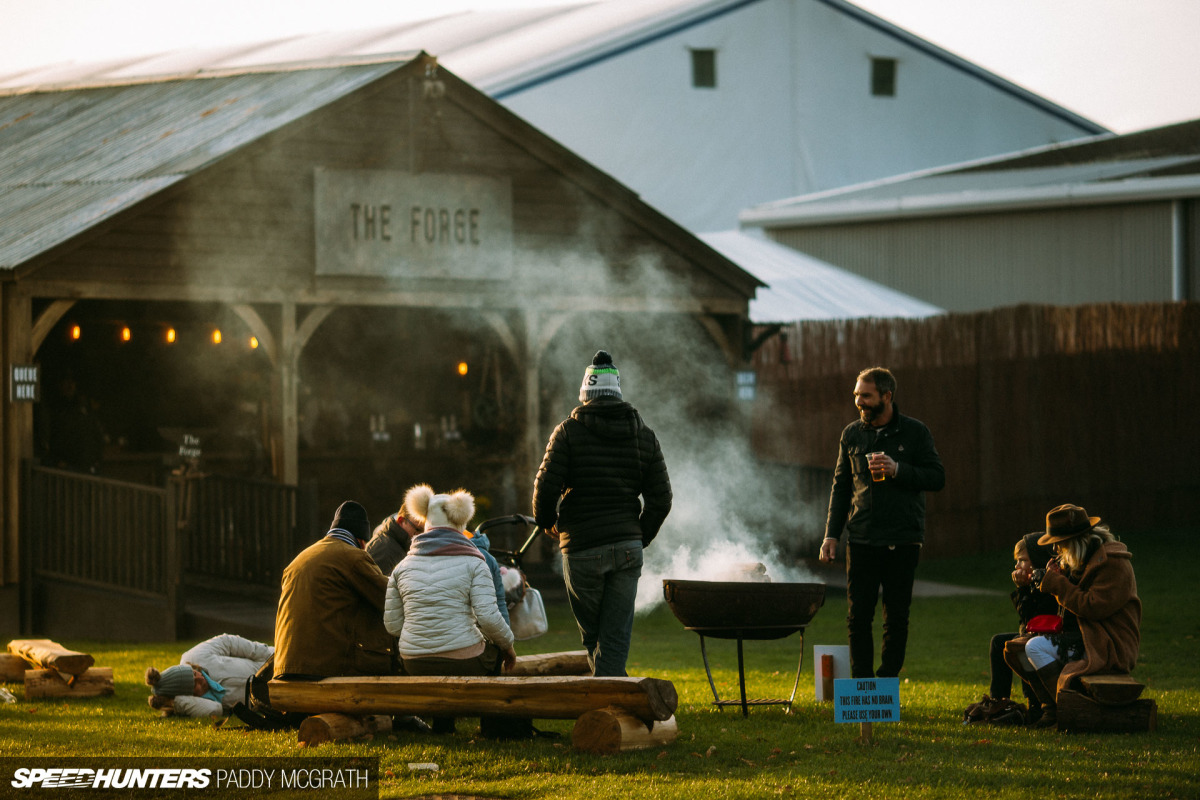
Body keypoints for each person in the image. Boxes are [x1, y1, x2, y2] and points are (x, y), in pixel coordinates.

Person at [532, 350, 672, 677]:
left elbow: (544, 488)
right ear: (618, 392)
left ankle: (605, 706)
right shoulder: (644, 435)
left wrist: (547, 523)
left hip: (581, 548)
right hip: (626, 547)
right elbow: (661, 500)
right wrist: (639, 535)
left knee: (594, 634)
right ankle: (609, 701)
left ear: (586, 394)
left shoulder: (567, 432)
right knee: (614, 635)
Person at [819, 366, 945, 679]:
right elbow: (841, 487)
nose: (859, 401)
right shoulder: (852, 435)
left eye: (866, 395)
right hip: (861, 538)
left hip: (903, 539)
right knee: (858, 617)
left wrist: (898, 469)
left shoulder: (915, 432)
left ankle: (887, 682)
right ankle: (862, 685)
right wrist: (831, 536)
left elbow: (937, 477)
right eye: (856, 395)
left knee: (896, 617)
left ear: (887, 396)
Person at [384, 484, 516, 734]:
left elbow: (392, 625)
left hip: (414, 661)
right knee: (495, 650)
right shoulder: (474, 562)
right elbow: (489, 617)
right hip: (464, 659)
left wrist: (420, 637)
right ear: (460, 520)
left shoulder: (401, 567)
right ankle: (493, 724)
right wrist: (508, 647)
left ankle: (443, 725)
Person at [1013, 503, 1141, 728]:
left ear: (1074, 542)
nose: (1058, 552)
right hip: (1087, 636)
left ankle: (1064, 708)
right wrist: (1057, 579)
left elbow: (1092, 606)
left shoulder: (1113, 564)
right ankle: (1051, 709)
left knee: (1034, 648)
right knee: (1017, 649)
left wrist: (1058, 584)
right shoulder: (1086, 561)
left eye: (1060, 546)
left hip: (1108, 644)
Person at [274, 500, 396, 680]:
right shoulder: (353, 556)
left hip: (284, 666)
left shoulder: (300, 559)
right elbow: (389, 598)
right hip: (325, 667)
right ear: (362, 541)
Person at [964, 533, 1061, 724]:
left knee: (1021, 646)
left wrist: (1023, 590)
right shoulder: (1034, 583)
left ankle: (1036, 705)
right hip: (1035, 637)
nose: (1017, 566)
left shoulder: (1050, 584)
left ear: (1038, 560)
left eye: (1023, 560)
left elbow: (1032, 622)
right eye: (1017, 561)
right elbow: (1026, 626)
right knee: (999, 642)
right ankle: (998, 703)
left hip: (1049, 641)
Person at [145, 633, 274, 718]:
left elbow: (228, 642)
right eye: (194, 685)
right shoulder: (197, 703)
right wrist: (177, 702)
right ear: (188, 695)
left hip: (275, 660)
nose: (200, 679)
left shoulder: (195, 656)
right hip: (273, 700)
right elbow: (214, 710)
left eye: (195, 674)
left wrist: (268, 658)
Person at [366, 503, 420, 576]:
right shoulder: (383, 550)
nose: (421, 534)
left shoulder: (399, 546)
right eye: (418, 529)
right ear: (400, 521)